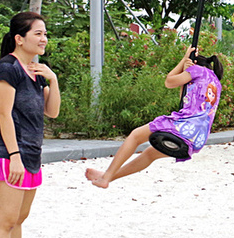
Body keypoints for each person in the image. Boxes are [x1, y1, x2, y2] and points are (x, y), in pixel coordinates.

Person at [0, 11, 62, 238]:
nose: (44, 39)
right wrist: (14, 156)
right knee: (4, 221)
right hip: (10, 156)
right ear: (20, 38)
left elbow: (52, 112)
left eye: (45, 34)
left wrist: (52, 79)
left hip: (32, 155)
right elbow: (4, 115)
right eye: (38, 33)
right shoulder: (7, 69)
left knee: (18, 219)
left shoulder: (35, 71)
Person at [85, 45, 223, 189]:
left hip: (183, 126)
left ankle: (106, 177)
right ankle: (107, 176)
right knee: (150, 154)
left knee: (135, 136)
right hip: (197, 138)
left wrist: (183, 62)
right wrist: (184, 71)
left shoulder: (197, 70)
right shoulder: (215, 82)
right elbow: (184, 99)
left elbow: (169, 82)